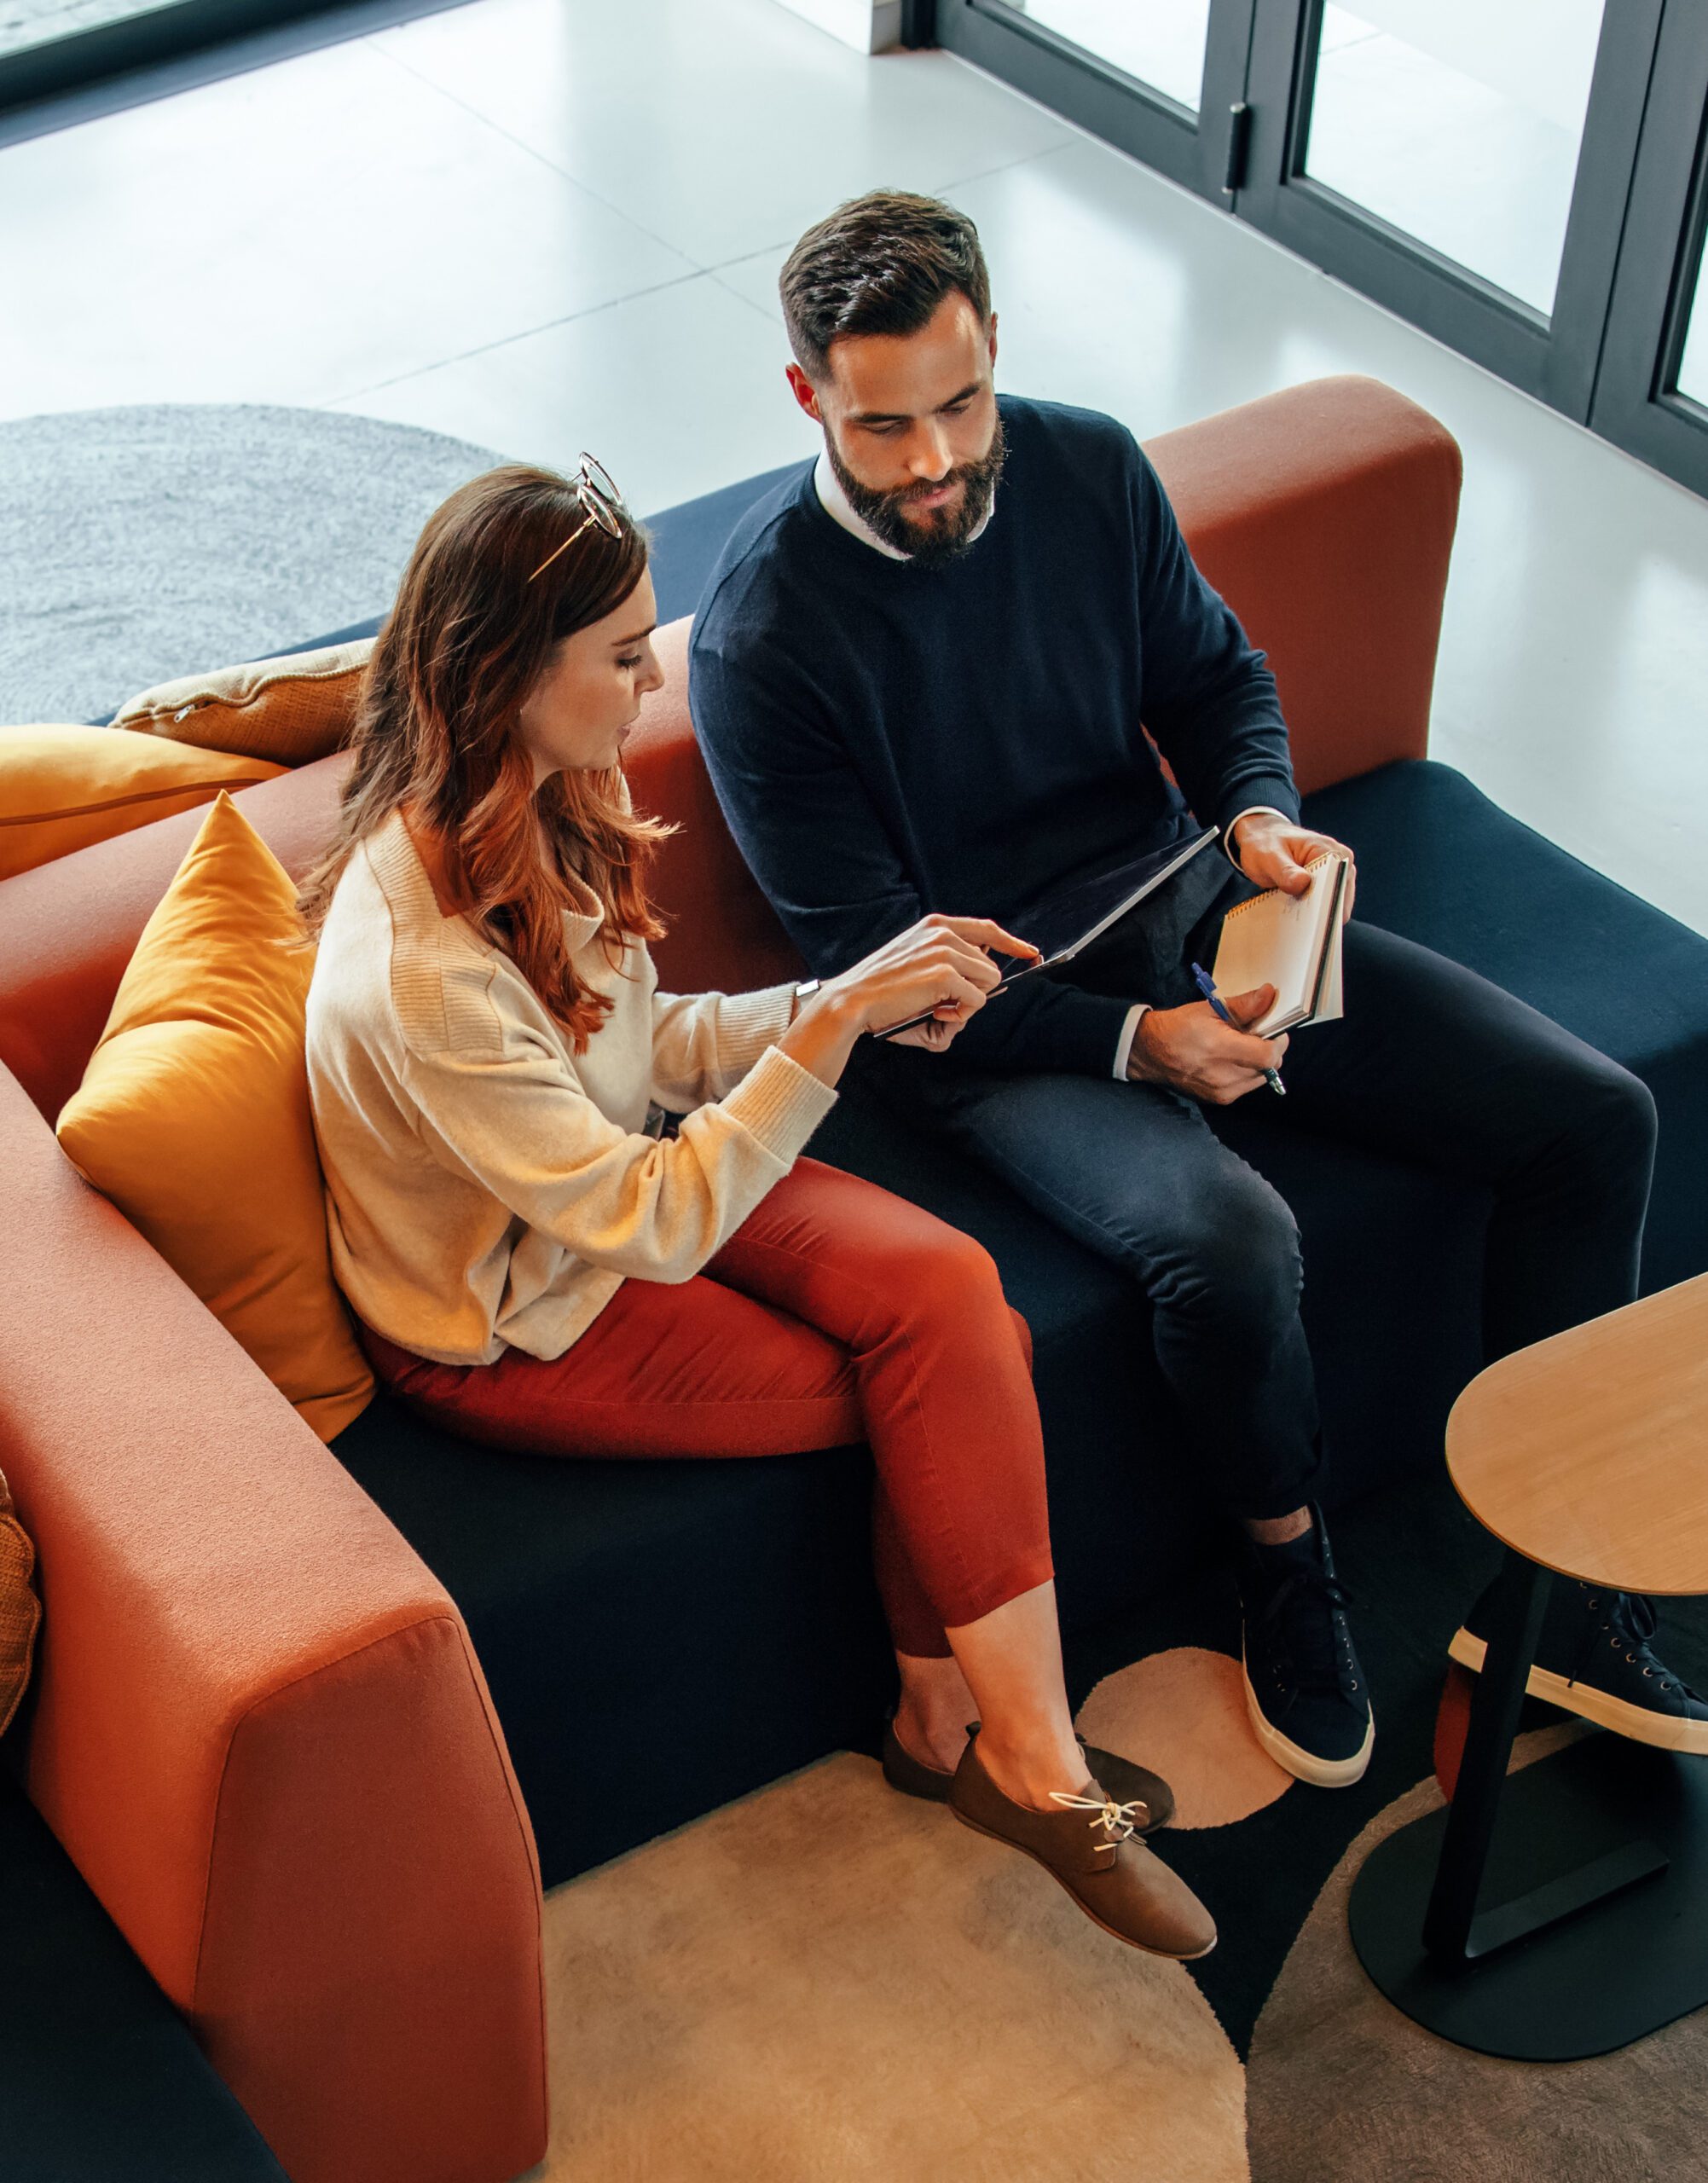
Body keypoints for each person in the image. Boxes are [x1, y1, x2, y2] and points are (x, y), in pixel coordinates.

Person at [690, 189, 1706, 1786]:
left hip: (1189, 906)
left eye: (960, 406)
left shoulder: (1085, 464)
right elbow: (872, 964)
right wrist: (1137, 1048)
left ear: (995, 352)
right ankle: (1283, 1574)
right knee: (1230, 1245)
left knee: (1596, 1118)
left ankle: (1566, 1587)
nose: (940, 463)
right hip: (978, 1028)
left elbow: (1218, 676)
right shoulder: (762, 640)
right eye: (887, 429)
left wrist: (1257, 815)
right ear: (809, 396)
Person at [297, 459, 1218, 1960]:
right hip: (509, 1318)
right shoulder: (424, 974)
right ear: (509, 674)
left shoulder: (546, 791)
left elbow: (643, 1045)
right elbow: (649, 1224)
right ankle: (1032, 1771)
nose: (652, 677)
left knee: (952, 1295)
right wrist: (827, 1038)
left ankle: (953, 1732)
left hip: (625, 1173)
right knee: (921, 1381)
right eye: (618, 655)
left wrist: (841, 994)